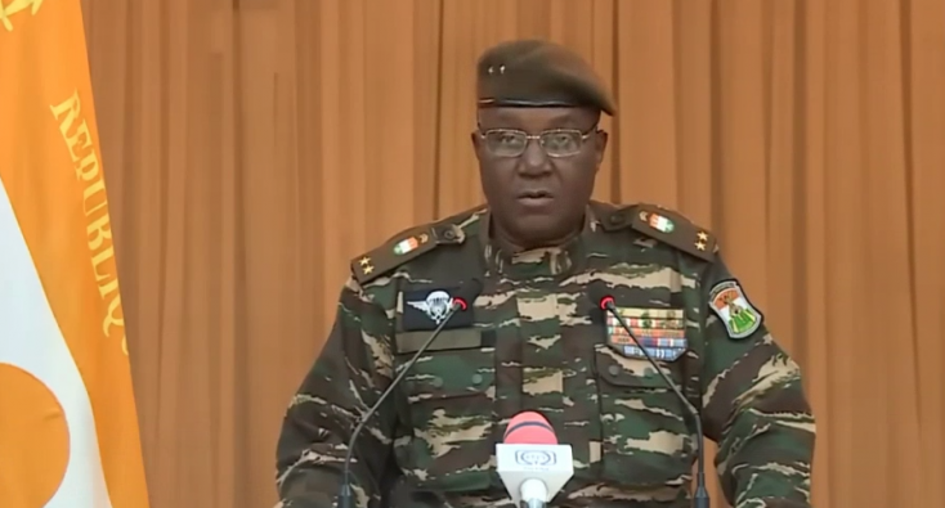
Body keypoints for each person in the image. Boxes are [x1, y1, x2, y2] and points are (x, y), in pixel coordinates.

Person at [273, 39, 816, 508]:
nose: (534, 164)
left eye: (561, 139)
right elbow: (324, 438)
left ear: (598, 149)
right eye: (508, 138)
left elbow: (767, 411)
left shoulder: (674, 274)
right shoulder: (399, 287)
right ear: (478, 148)